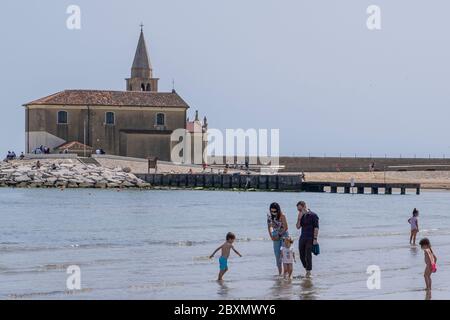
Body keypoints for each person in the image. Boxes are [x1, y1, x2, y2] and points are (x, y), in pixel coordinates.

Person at [296, 201, 319, 278]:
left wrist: (315, 239)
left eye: (300, 209)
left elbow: (316, 227)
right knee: (301, 255)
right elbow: (298, 227)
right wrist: (299, 218)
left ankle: (308, 272)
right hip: (302, 237)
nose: (299, 211)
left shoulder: (313, 215)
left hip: (310, 237)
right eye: (298, 210)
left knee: (308, 255)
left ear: (304, 206)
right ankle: (307, 269)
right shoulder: (301, 216)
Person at [267, 202, 289, 276]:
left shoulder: (282, 216)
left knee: (284, 254)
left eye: (275, 211)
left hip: (284, 235)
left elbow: (286, 227)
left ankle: (286, 273)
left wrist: (279, 235)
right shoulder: (269, 216)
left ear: (278, 210)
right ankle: (280, 273)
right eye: (272, 211)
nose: (273, 213)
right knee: (277, 255)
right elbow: (269, 227)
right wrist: (271, 236)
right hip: (275, 235)